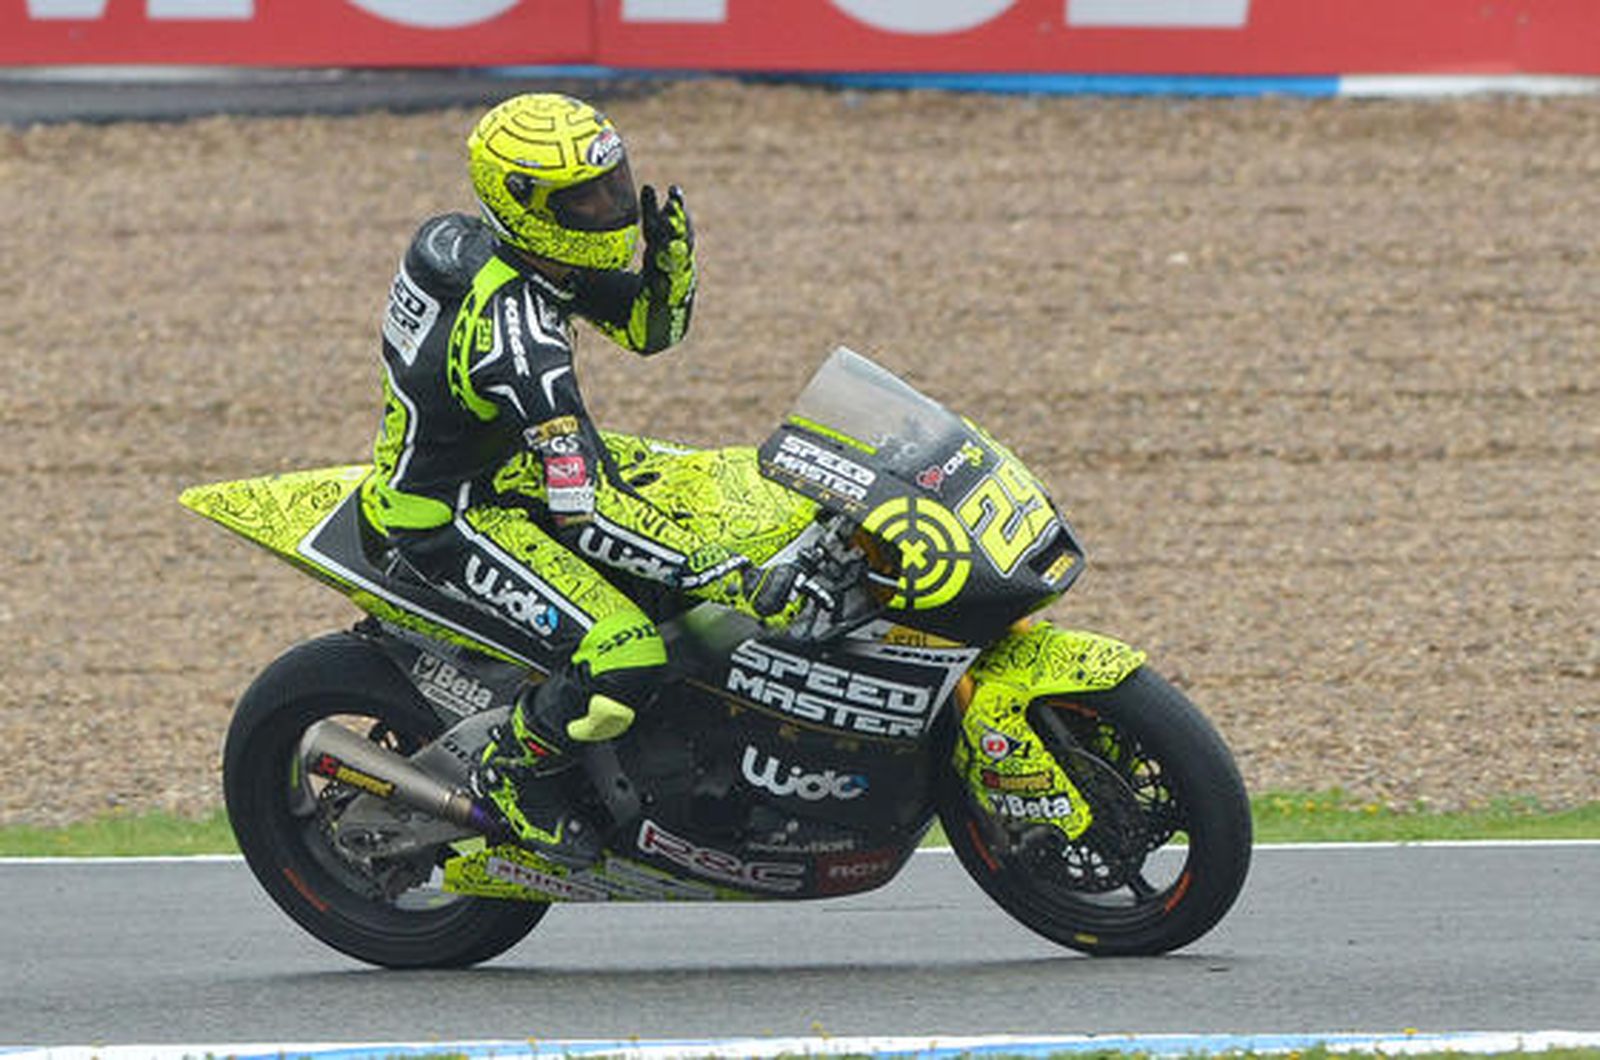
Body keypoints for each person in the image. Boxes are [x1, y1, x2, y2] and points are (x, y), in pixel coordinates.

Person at [358, 93, 819, 866]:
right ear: (524, 206)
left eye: (613, 183)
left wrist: (670, 269)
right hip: (455, 511)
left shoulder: (506, 250)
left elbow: (647, 332)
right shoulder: (521, 343)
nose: (612, 210)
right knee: (624, 654)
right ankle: (513, 776)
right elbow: (589, 515)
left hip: (508, 464)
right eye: (586, 199)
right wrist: (731, 577)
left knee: (737, 486)